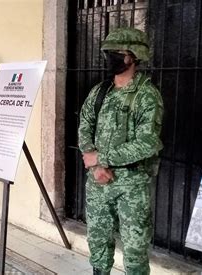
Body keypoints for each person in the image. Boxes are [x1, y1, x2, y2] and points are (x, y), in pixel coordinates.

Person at [78, 27, 164, 274]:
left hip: (132, 185)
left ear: (133, 56)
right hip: (97, 181)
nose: (110, 57)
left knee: (135, 250)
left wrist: (102, 158)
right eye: (108, 53)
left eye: (117, 53)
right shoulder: (100, 91)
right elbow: (85, 126)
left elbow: (147, 143)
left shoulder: (147, 95)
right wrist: (95, 165)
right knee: (98, 241)